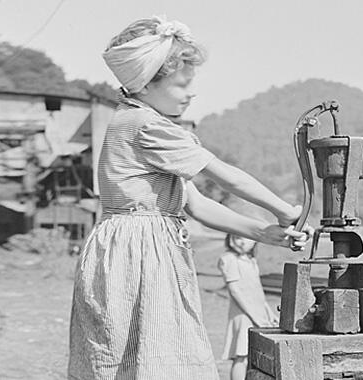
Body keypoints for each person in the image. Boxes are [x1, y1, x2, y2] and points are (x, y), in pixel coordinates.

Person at [68, 16, 309, 380]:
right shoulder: (147, 126)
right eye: (182, 85)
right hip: (140, 252)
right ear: (146, 85)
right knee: (155, 355)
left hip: (129, 247)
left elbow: (195, 204)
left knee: (139, 355)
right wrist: (282, 209)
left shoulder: (135, 121)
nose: (189, 93)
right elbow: (224, 174)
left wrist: (262, 232)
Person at [218, 234, 277, 380]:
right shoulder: (229, 259)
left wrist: (269, 313)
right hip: (243, 314)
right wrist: (253, 315)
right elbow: (235, 291)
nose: (241, 241)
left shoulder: (251, 261)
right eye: (237, 237)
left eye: (245, 237)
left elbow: (258, 292)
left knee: (255, 354)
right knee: (241, 355)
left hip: (258, 313)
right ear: (230, 239)